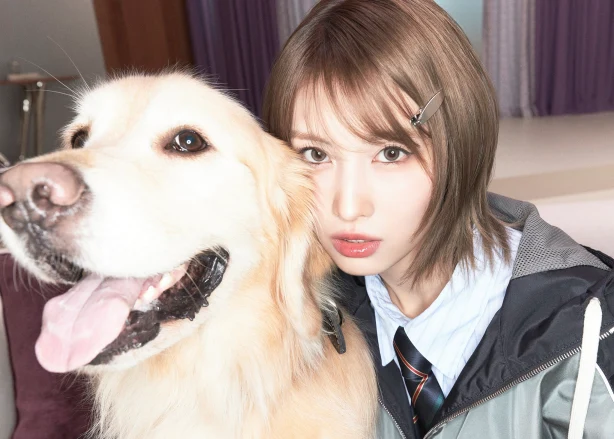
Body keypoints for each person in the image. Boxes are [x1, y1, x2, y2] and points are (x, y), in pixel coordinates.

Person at [261, 1, 614, 438]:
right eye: (316, 154)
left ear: (460, 142)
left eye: (391, 153)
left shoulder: (588, 336)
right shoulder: (301, 318)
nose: (348, 207)